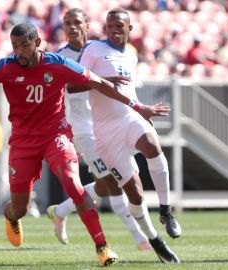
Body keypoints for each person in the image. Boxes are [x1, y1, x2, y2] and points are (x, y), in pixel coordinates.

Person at [0, 22, 167, 266]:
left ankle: (102, 248)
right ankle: (12, 218)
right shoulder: (5, 67)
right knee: (20, 208)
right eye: (15, 46)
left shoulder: (58, 64)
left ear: (37, 43)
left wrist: (138, 106)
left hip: (56, 136)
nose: (19, 52)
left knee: (73, 184)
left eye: (24, 46)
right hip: (23, 142)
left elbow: (98, 83)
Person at [75, 8, 181, 263]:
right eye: (109, 26)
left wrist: (142, 111)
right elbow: (72, 83)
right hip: (105, 131)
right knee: (134, 193)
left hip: (130, 117)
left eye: (118, 26)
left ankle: (166, 211)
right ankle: (155, 239)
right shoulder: (93, 50)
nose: (113, 30)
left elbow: (127, 90)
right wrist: (101, 80)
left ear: (129, 28)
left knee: (153, 145)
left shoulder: (131, 55)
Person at [46, 8, 151, 251]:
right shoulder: (59, 58)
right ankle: (142, 239)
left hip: (111, 126)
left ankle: (60, 210)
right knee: (113, 183)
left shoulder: (101, 50)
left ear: (86, 26)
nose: (72, 27)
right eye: (68, 24)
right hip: (84, 131)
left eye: (77, 23)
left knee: (109, 184)